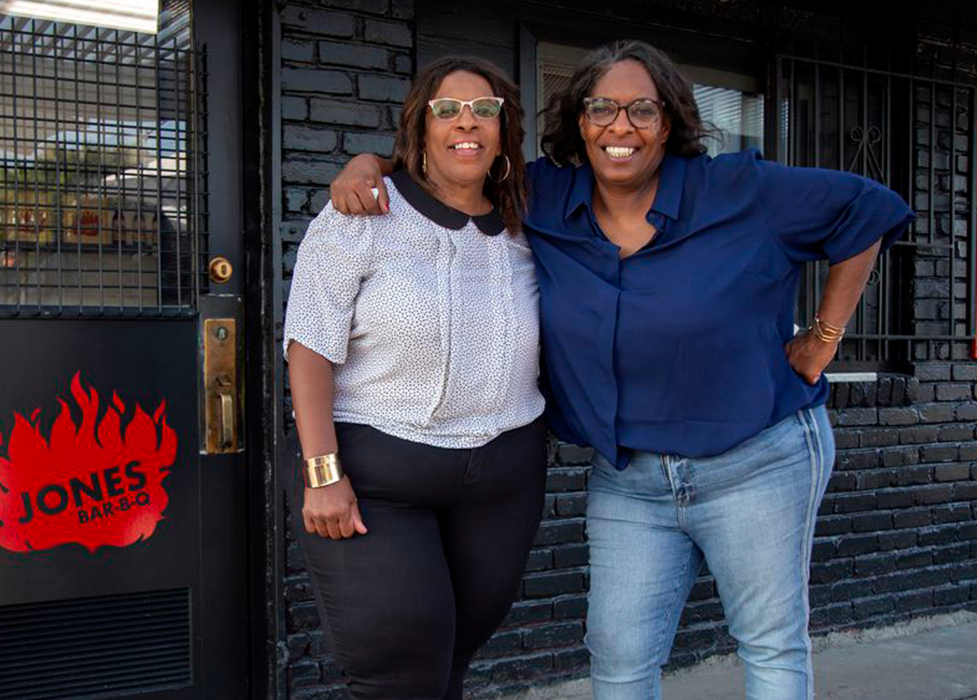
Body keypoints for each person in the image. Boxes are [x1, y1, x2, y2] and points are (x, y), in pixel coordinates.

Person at [327, 40, 914, 700]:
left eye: (642, 109)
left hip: (758, 459)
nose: (621, 126)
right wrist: (369, 162)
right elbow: (453, 160)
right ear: (578, 121)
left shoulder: (740, 189)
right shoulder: (544, 196)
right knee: (618, 658)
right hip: (629, 477)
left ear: (670, 122)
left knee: (770, 645)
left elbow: (870, 209)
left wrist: (825, 336)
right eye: (601, 107)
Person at [283, 56, 547, 700]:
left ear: (504, 130)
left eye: (485, 110)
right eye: (447, 109)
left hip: (503, 479)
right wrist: (323, 473)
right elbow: (309, 346)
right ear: (419, 127)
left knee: (451, 655)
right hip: (377, 478)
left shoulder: (530, 223)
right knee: (398, 674)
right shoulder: (363, 216)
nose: (468, 123)